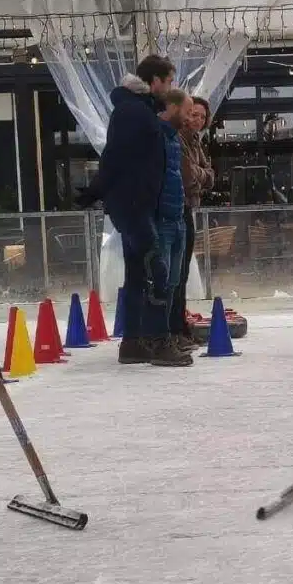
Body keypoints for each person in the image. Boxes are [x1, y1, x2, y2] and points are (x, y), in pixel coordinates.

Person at [88, 54, 191, 366]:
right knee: (156, 270)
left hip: (135, 205)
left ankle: (133, 342)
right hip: (135, 207)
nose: (170, 87)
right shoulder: (134, 111)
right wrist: (102, 192)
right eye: (169, 81)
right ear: (155, 81)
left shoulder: (139, 109)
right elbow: (117, 158)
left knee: (137, 274)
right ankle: (158, 341)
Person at [170, 96, 215, 347]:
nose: (197, 120)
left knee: (183, 270)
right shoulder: (178, 138)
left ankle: (179, 325)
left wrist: (201, 175)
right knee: (177, 271)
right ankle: (175, 327)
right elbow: (188, 175)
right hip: (179, 207)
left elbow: (210, 175)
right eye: (194, 114)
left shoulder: (195, 141)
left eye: (202, 116)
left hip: (188, 207)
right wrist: (201, 175)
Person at [155, 90, 194, 357]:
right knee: (163, 283)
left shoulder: (174, 139)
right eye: (188, 112)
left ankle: (170, 333)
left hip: (177, 216)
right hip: (163, 220)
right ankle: (160, 337)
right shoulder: (157, 136)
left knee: (175, 282)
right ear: (173, 107)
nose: (190, 118)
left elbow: (184, 176)